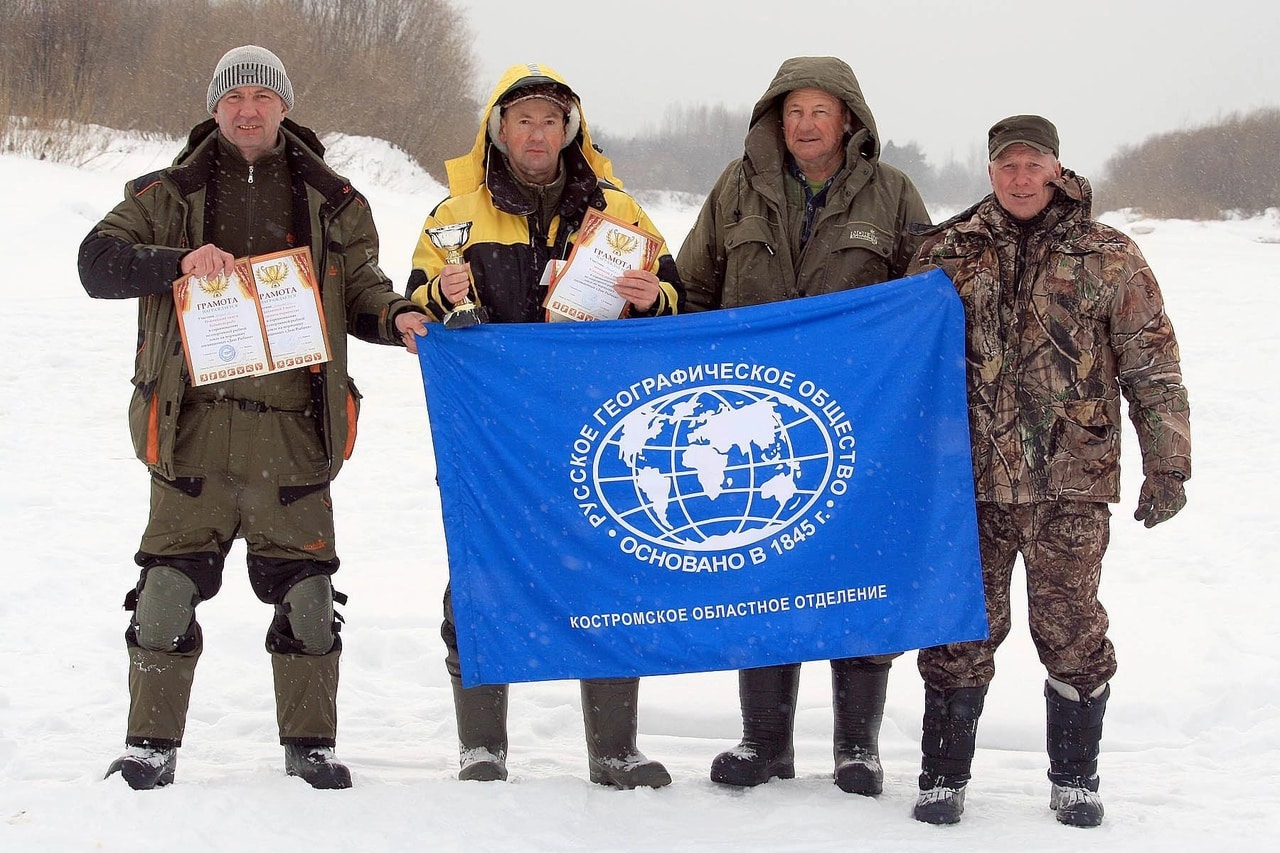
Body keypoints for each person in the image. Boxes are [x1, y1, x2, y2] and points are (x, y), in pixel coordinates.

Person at [78, 45, 431, 790]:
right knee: (165, 591)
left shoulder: (333, 198)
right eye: (233, 96)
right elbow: (97, 262)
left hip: (294, 433)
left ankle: (310, 746)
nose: (247, 109)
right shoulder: (164, 192)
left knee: (307, 598)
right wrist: (175, 263)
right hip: (192, 432)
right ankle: (150, 745)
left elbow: (362, 288)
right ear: (214, 107)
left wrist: (397, 315)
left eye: (262, 97)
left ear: (283, 107)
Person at [905, 115, 1191, 827]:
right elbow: (898, 360)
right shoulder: (946, 251)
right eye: (1008, 165)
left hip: (1071, 480)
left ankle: (1076, 778)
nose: (1021, 178)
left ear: (1057, 169)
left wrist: (1168, 464)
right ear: (990, 170)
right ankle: (943, 776)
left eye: (1034, 164)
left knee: (1070, 630)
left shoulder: (1108, 254)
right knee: (959, 629)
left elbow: (1152, 365)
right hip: (968, 483)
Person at [406, 62, 683, 788]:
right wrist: (439, 292)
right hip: (491, 441)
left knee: (607, 577)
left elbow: (679, 297)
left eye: (551, 120)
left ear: (571, 131)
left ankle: (613, 749)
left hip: (598, 434)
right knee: (481, 575)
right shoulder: (453, 214)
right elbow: (412, 310)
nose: (537, 132)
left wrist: (654, 297)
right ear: (499, 129)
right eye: (522, 119)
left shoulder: (620, 212)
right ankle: (482, 746)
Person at [676, 55, 932, 795]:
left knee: (854, 576)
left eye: (819, 111)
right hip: (751, 424)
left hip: (858, 424)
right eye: (792, 112)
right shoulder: (737, 187)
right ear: (773, 120)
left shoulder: (892, 192)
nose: (805, 125)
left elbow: (925, 301)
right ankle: (766, 743)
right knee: (764, 571)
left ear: (848, 118)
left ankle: (858, 747)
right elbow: (694, 286)